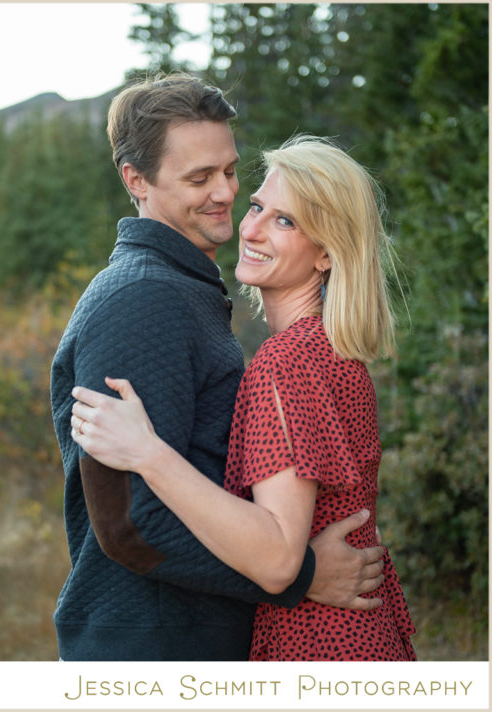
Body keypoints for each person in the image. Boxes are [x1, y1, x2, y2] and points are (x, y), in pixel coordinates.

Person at [49, 74, 386, 661]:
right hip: (155, 651)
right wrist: (302, 575)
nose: (226, 194)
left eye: (230, 172)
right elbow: (127, 522)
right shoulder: (140, 300)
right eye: (198, 178)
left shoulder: (193, 296)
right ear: (137, 181)